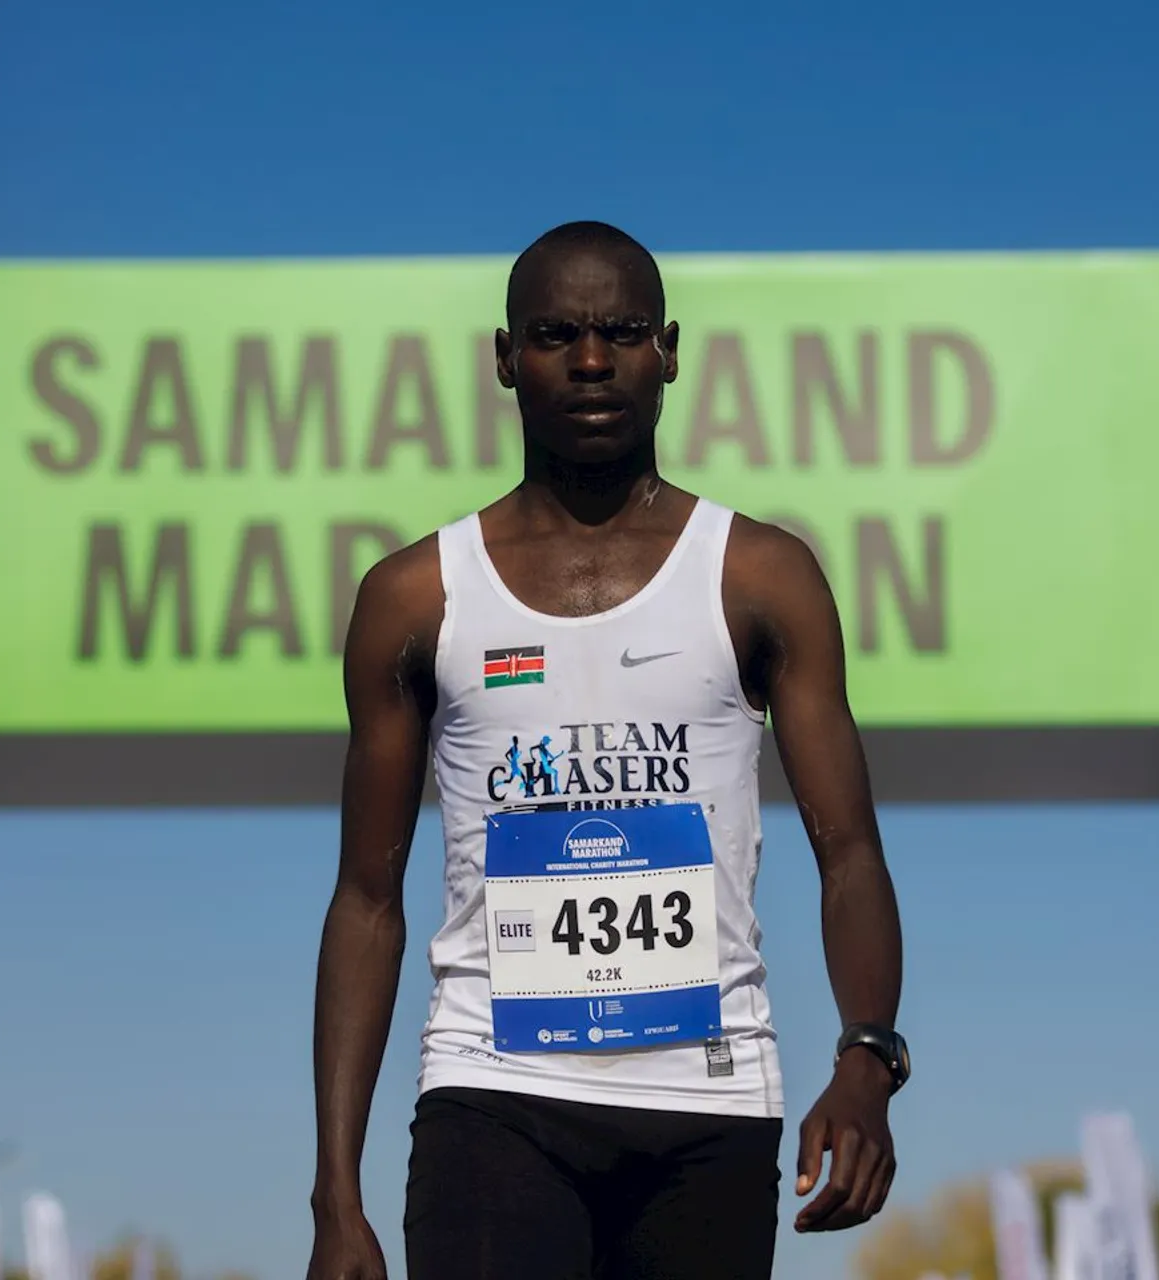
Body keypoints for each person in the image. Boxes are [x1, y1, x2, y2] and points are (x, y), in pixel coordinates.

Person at [307, 221, 909, 1280]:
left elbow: (849, 848)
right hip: (492, 1092)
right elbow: (365, 898)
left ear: (670, 349)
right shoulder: (415, 595)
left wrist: (868, 1055)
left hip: (708, 1104)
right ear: (505, 359)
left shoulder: (760, 577)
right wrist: (336, 1195)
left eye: (622, 331)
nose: (592, 360)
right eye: (555, 334)